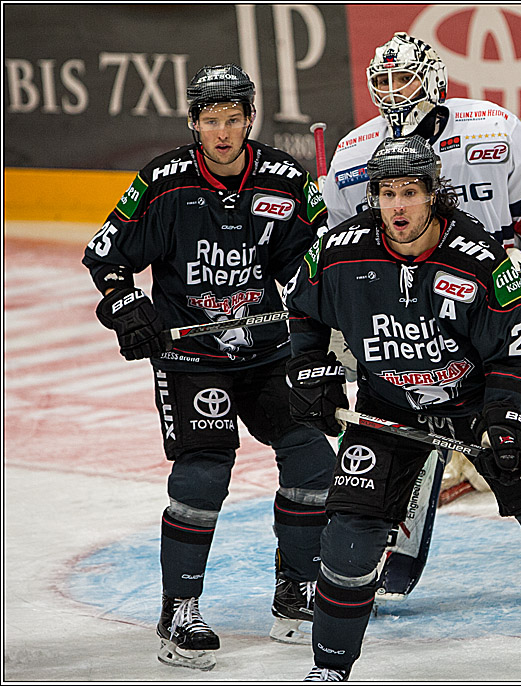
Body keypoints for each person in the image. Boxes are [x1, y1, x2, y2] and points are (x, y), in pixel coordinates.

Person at [286, 134, 521, 681]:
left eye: (409, 192)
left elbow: (518, 343)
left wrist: (503, 417)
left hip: (477, 403)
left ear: (434, 194)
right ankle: (328, 670)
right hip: (390, 407)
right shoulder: (338, 251)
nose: (397, 205)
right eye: (386, 193)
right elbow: (302, 309)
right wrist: (313, 371)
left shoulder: (476, 257)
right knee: (349, 540)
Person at [321, 31, 521, 600]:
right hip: (405, 316)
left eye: (405, 79)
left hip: (489, 302)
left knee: (511, 372)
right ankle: (397, 531)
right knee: (396, 394)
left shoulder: (496, 130)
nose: (394, 94)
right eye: (383, 82)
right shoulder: (352, 154)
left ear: (435, 79)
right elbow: (337, 256)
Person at [82, 64, 336, 671]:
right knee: (204, 472)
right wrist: (125, 309)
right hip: (191, 359)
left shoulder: (284, 177)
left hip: (266, 348)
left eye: (232, 119)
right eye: (209, 120)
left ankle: (296, 590)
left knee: (312, 459)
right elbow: (105, 257)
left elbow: (317, 263)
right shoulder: (164, 181)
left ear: (250, 118)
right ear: (193, 123)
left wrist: (316, 338)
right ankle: (181, 607)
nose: (222, 133)